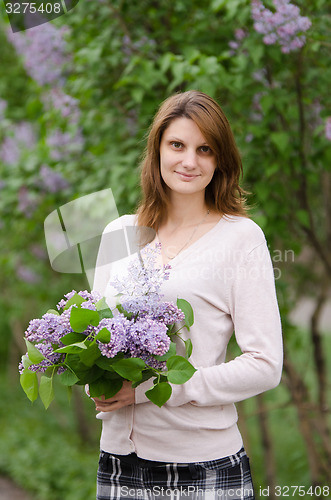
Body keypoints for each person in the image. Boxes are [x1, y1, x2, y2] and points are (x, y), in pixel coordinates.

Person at [91, 90, 283, 500]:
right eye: (177, 145)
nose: (189, 161)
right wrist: (89, 373)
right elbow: (94, 340)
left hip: (203, 465)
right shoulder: (117, 234)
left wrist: (153, 389)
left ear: (220, 161)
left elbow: (266, 365)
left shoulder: (241, 239)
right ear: (157, 149)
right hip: (118, 462)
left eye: (205, 149)